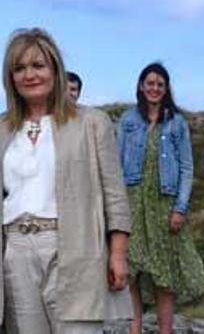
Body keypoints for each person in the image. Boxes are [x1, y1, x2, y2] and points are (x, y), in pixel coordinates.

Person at [1, 28, 131, 333]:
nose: (29, 75)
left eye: (38, 66)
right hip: (16, 249)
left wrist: (118, 254)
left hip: (73, 246)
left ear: (55, 70)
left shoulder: (92, 123)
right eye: (19, 68)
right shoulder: (4, 128)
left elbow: (115, 195)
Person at [117, 62, 204, 334]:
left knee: (164, 273)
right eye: (150, 83)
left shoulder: (177, 123)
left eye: (159, 84)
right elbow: (116, 164)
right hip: (133, 202)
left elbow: (187, 168)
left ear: (166, 89)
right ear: (141, 86)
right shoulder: (128, 120)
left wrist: (180, 207)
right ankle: (135, 328)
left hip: (165, 205)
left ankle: (165, 330)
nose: (154, 88)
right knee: (132, 269)